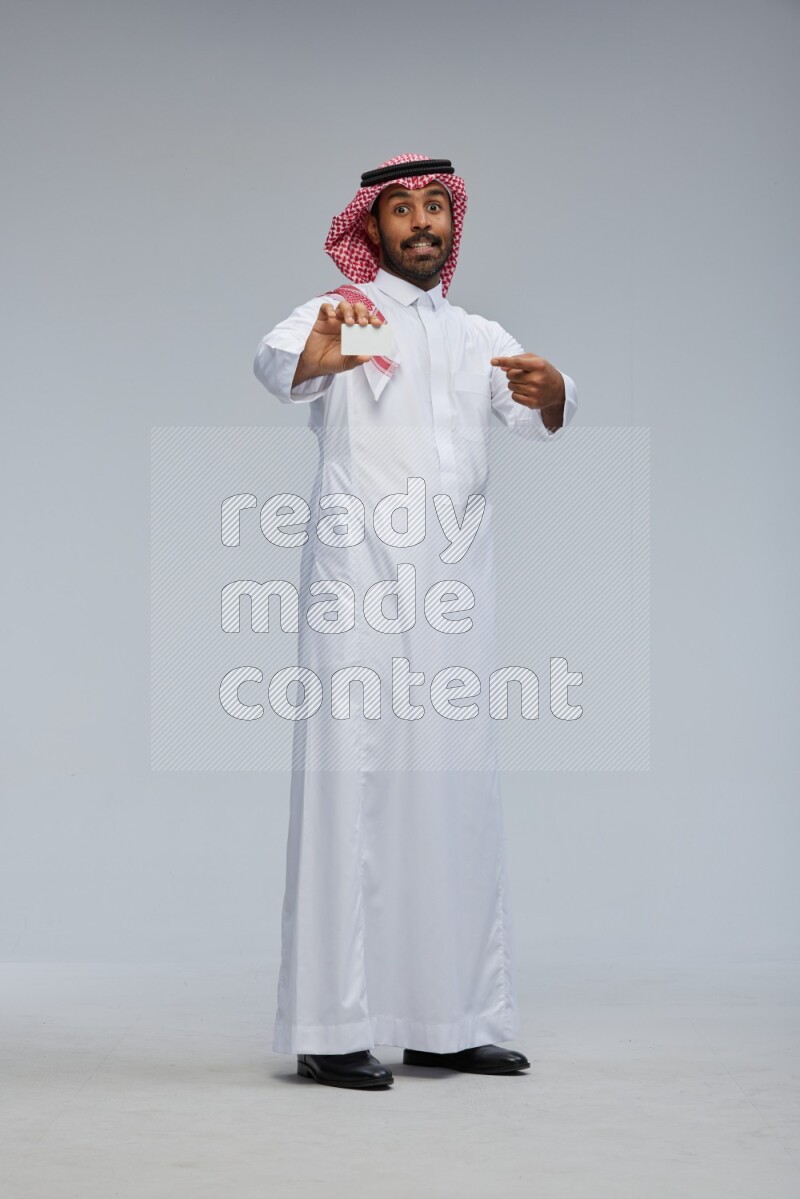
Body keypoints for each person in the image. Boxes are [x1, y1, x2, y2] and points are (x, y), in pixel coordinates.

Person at [253, 153, 578, 1089]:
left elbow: (535, 408)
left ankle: (452, 1018)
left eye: (437, 206)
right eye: (403, 210)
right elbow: (280, 364)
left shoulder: (479, 333)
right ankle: (331, 1022)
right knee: (350, 790)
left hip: (452, 596)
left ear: (452, 222)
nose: (423, 222)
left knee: (454, 793)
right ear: (373, 226)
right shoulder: (340, 307)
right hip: (357, 584)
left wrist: (552, 395)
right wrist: (319, 349)